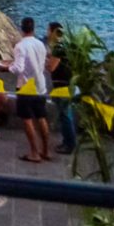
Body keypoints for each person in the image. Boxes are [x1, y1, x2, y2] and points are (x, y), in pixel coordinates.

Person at [9, 16, 53, 163]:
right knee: (41, 117)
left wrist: (6, 67)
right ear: (33, 28)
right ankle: (46, 150)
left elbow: (18, 68)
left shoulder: (20, 46)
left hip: (25, 87)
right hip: (40, 85)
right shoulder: (41, 45)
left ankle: (34, 152)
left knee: (27, 119)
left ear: (22, 29)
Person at [47, 22, 77, 154]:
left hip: (62, 86)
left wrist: (47, 61)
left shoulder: (58, 47)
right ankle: (68, 141)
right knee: (66, 114)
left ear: (54, 32)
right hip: (68, 83)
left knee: (65, 115)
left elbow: (52, 67)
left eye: (48, 30)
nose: (47, 33)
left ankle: (69, 144)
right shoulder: (67, 45)